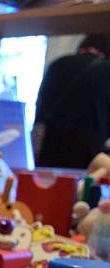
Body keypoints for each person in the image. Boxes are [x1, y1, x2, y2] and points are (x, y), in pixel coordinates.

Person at [34, 34, 110, 169]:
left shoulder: (57, 64)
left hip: (48, 147)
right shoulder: (106, 70)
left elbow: (40, 106)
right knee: (79, 183)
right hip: (86, 153)